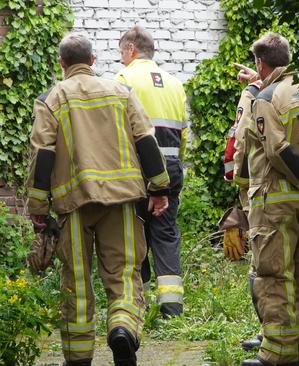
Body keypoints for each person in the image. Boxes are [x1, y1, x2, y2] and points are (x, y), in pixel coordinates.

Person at [26, 33, 171, 366]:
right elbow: (145, 140)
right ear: (92, 61)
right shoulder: (121, 92)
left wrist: (37, 208)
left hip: (73, 205)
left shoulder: (52, 99)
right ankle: (122, 329)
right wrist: (159, 188)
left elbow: (43, 155)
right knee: (123, 273)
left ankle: (78, 358)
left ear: (62, 63)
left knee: (76, 280)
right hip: (120, 203)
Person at [234, 33, 299, 366]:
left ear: (260, 63)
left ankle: (277, 354)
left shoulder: (264, 98)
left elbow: (277, 150)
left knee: (275, 277)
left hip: (276, 203)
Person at [114, 26, 187, 317]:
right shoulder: (174, 83)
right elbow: (184, 135)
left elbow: (118, 131)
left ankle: (137, 303)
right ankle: (172, 306)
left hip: (138, 170)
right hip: (172, 169)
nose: (121, 59)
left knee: (133, 234)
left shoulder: (124, 79)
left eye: (121, 52)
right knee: (166, 233)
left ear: (131, 49)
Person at [222, 74, 264, 350]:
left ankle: (268, 332)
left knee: (262, 261)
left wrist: (237, 178)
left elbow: (239, 138)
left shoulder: (252, 94)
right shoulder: (297, 88)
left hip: (259, 190)